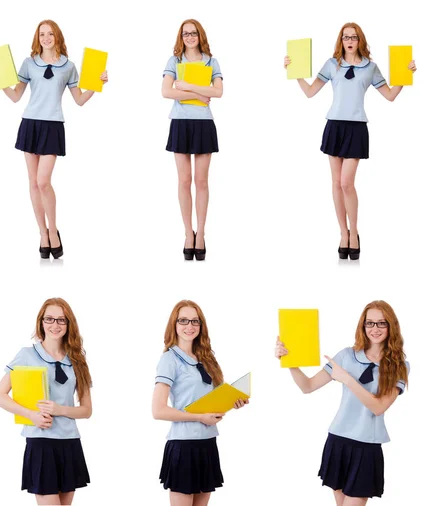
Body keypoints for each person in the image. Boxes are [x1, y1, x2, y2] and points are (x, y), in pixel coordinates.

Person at [284, 23, 416, 260]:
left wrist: (406, 76)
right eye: (345, 37)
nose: (349, 40)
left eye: (353, 37)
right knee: (336, 183)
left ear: (360, 40)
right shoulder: (332, 65)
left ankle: (354, 232)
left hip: (356, 128)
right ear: (341, 40)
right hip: (334, 125)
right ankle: (342, 233)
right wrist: (295, 73)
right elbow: (310, 92)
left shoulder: (370, 68)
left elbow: (390, 96)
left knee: (347, 183)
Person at [0, 20, 108, 259]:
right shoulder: (29, 63)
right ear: (37, 38)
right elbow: (15, 96)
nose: (46, 38)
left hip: (52, 125)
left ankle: (53, 230)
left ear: (57, 36)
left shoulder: (68, 66)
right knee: (33, 183)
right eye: (42, 34)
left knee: (44, 181)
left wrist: (98, 84)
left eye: (50, 33)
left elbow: (80, 100)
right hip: (30, 123)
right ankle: (42, 234)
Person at [275, 300, 409, 505]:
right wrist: (290, 362)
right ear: (362, 326)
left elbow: (379, 407)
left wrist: (346, 378)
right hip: (338, 441)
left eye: (382, 323)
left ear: (391, 326)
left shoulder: (399, 366)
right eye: (370, 323)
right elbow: (308, 386)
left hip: (367, 446)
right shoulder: (347, 355)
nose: (375, 328)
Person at [0, 298, 92, 505]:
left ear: (69, 324)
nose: (55, 325)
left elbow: (86, 410)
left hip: (69, 442)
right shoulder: (27, 355)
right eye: (49, 319)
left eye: (61, 320)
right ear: (41, 322)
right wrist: (31, 415)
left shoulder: (77, 360)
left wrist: (60, 409)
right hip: (41, 442)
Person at [153, 300, 248, 505]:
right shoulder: (170, 360)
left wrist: (232, 402)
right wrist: (200, 417)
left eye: (195, 321)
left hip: (207, 443)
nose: (190, 326)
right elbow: (158, 410)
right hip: (184, 445)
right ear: (174, 325)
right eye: (183, 320)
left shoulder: (207, 358)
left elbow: (212, 402)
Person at [162, 20, 223, 261]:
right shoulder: (174, 61)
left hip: (203, 124)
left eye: (193, 33)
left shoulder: (211, 61)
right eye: (185, 33)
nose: (189, 37)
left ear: (200, 35)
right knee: (184, 180)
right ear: (181, 36)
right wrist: (198, 92)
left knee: (201, 181)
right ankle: (188, 233)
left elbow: (218, 92)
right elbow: (166, 92)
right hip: (180, 122)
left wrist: (185, 85)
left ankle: (202, 234)